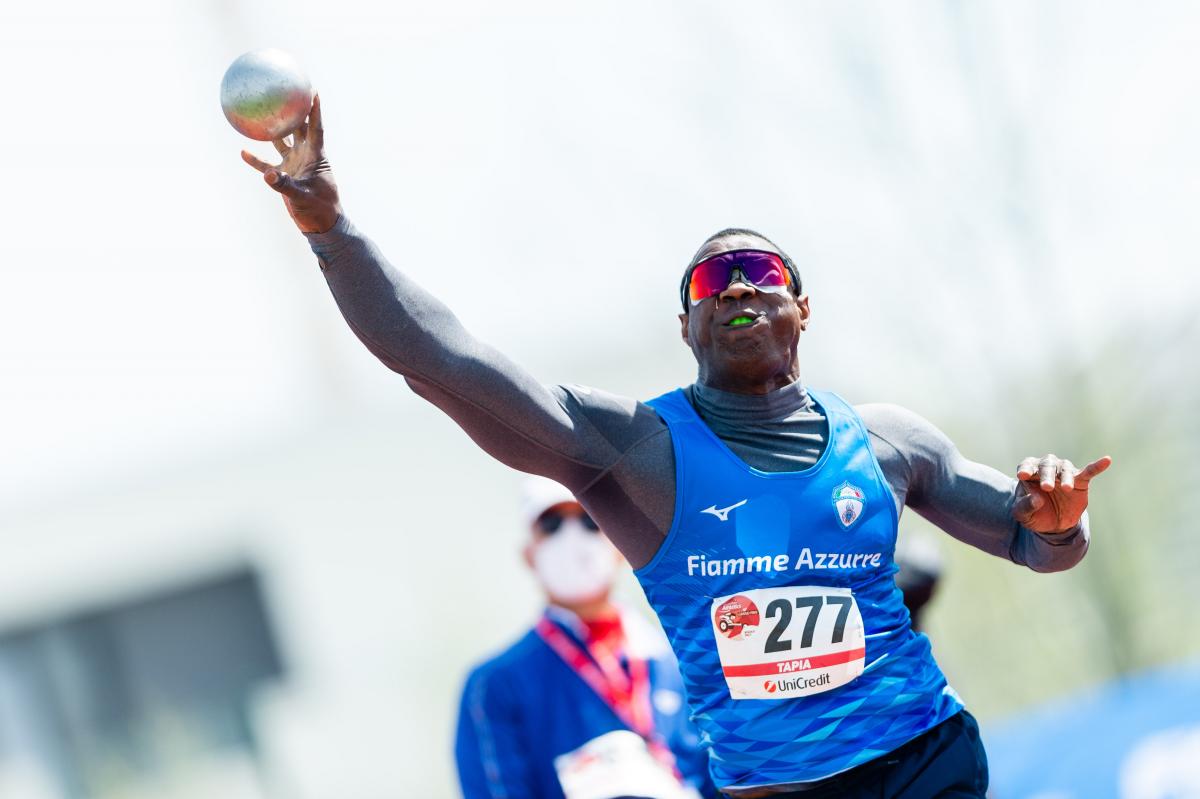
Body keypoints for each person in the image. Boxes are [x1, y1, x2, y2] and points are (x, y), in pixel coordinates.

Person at [239, 97, 1112, 798]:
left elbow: (1036, 541)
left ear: (802, 310)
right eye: (710, 279)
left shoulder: (887, 441)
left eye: (762, 273)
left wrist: (1060, 518)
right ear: (686, 322)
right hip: (776, 788)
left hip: (925, 756)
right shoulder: (636, 452)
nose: (737, 284)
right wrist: (332, 231)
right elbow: (444, 360)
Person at [454, 476, 716, 799]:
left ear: (622, 544)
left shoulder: (686, 663)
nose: (572, 538)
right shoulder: (494, 685)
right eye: (551, 525)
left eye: (590, 520)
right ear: (529, 555)